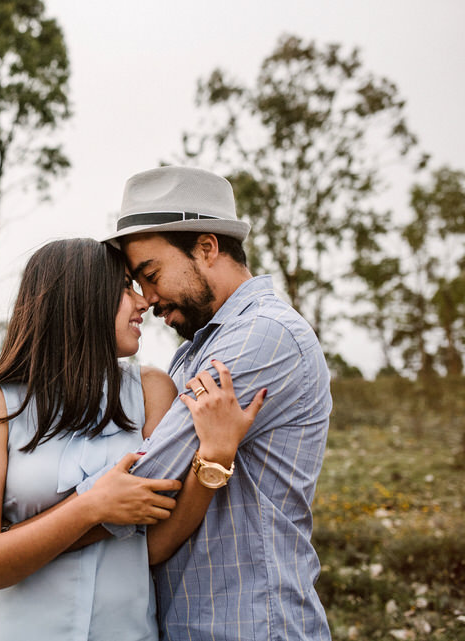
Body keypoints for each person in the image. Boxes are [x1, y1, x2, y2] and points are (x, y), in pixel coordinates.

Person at [0, 237, 265, 640]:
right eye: (124, 288)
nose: (143, 302)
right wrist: (91, 505)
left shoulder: (152, 391)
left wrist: (216, 455)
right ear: (80, 299)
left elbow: (153, 547)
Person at [82, 165, 333, 640]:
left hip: (249, 624)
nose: (149, 299)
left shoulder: (263, 336)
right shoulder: (195, 351)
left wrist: (20, 536)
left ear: (206, 247)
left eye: (150, 274)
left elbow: (148, 479)